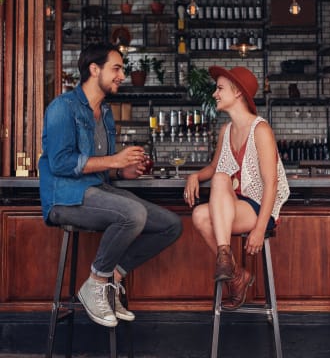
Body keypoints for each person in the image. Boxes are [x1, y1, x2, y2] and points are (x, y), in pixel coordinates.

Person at [39, 43, 182, 327]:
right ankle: (94, 283)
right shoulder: (62, 107)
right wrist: (114, 161)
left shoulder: (104, 113)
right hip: (64, 198)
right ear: (94, 70)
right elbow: (60, 163)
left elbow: (102, 166)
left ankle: (110, 279)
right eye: (116, 68)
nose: (121, 76)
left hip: (97, 191)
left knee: (171, 224)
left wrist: (123, 171)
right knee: (133, 214)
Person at [183, 66, 289, 310]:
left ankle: (230, 268)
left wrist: (260, 229)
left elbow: (271, 183)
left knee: (220, 181)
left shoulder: (261, 130)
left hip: (260, 207)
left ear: (238, 93)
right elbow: (214, 166)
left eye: (219, 89)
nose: (214, 94)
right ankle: (236, 271)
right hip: (236, 204)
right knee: (200, 212)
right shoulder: (226, 130)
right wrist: (195, 176)